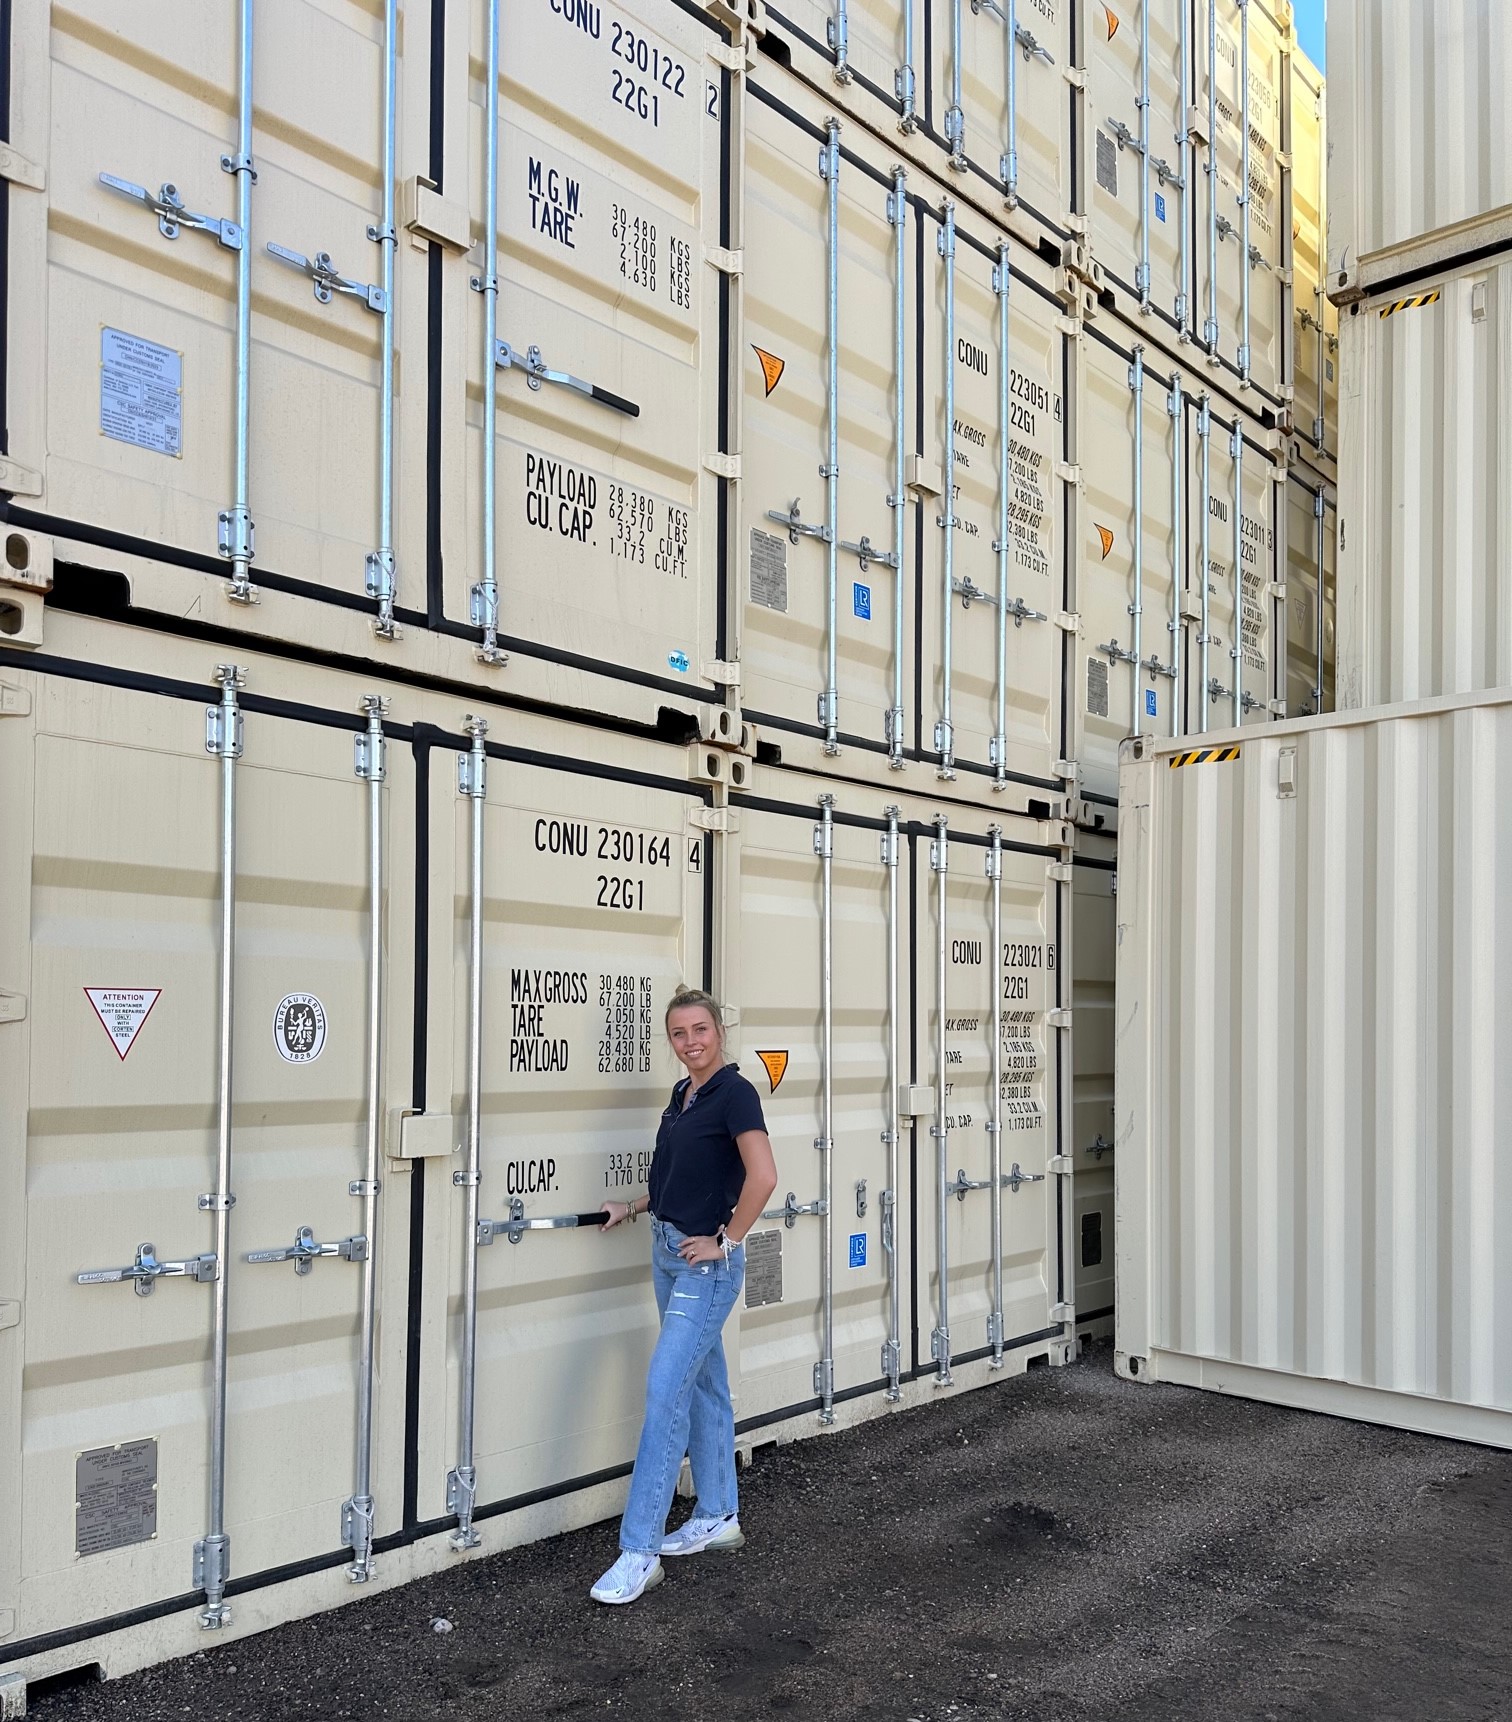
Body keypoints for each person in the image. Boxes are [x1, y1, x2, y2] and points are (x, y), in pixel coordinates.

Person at [590, 985, 779, 1605]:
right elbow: (680, 1174)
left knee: (665, 1387)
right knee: (702, 1382)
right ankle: (720, 1515)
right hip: (667, 1250)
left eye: (700, 1030)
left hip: (705, 1267)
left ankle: (638, 1550)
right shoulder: (683, 1094)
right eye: (678, 1034)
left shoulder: (736, 1092)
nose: (690, 1042)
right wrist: (636, 1205)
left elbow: (764, 1176)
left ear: (718, 1032)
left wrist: (725, 1240)